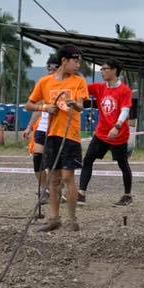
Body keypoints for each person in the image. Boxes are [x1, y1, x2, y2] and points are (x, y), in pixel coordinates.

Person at [26, 45, 89, 232]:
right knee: (54, 178)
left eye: (79, 61)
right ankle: (54, 218)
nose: (78, 65)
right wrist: (44, 108)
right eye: (75, 61)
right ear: (64, 61)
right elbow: (29, 104)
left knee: (68, 177)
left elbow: (81, 105)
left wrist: (74, 105)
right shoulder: (45, 82)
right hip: (51, 135)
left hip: (71, 135)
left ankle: (72, 220)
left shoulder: (79, 81)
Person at [79, 60, 134, 206]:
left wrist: (117, 126)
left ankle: (127, 196)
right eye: (101, 69)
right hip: (101, 134)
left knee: (123, 164)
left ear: (114, 70)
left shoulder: (124, 90)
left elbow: (125, 110)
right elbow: (81, 88)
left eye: (105, 69)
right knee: (88, 160)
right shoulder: (99, 87)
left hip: (118, 135)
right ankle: (81, 194)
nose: (102, 71)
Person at [22, 54, 59, 203]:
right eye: (48, 68)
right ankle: (45, 189)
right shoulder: (44, 84)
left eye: (53, 68)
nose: (50, 71)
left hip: (57, 130)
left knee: (54, 164)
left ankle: (56, 190)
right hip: (43, 128)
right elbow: (36, 108)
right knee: (37, 160)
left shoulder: (66, 84)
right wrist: (29, 127)